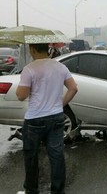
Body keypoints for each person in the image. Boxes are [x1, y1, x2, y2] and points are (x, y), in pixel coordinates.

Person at [16, 43, 78, 194]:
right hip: (56, 117)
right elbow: (73, 88)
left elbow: (21, 95)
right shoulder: (60, 67)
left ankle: (31, 190)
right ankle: (58, 191)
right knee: (56, 155)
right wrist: (60, 104)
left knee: (31, 156)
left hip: (34, 120)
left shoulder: (29, 69)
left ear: (32, 49)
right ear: (48, 49)